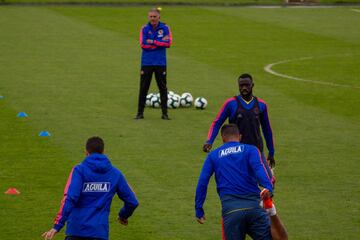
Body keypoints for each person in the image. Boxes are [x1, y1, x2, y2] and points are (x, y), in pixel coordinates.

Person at [42, 137, 139, 240]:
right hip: (99, 233)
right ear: (103, 151)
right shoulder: (115, 174)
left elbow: (70, 198)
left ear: (86, 151)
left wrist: (57, 226)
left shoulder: (79, 171)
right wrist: (123, 215)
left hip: (76, 232)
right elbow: (132, 201)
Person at [195, 124, 274, 240]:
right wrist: (268, 188)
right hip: (255, 208)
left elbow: (202, 182)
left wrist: (199, 209)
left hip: (232, 211)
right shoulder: (251, 150)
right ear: (240, 137)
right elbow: (259, 169)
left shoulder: (213, 155)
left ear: (223, 138)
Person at [203, 73, 275, 184]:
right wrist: (209, 141)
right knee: (242, 183)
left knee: (269, 182)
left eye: (247, 85)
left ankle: (261, 201)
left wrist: (271, 152)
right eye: (241, 85)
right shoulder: (230, 103)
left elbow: (267, 130)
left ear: (252, 85)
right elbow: (216, 123)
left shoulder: (261, 105)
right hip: (237, 152)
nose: (244, 88)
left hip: (256, 151)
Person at [135, 8, 173, 120]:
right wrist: (159, 43)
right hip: (147, 63)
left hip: (160, 63)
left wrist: (153, 41)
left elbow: (168, 43)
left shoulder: (165, 28)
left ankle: (165, 114)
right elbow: (143, 44)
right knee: (143, 88)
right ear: (148, 17)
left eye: (154, 16)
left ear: (159, 17)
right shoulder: (144, 28)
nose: (152, 19)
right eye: (151, 16)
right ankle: (139, 113)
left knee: (163, 88)